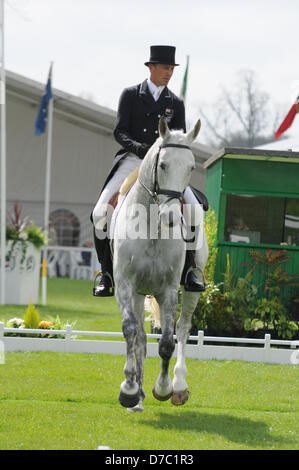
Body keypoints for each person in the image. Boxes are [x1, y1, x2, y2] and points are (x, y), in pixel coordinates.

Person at [92, 45, 206, 296]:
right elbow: (119, 131)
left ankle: (189, 270)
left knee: (195, 210)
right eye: (165, 68)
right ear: (151, 68)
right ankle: (106, 273)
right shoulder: (130, 95)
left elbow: (179, 139)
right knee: (100, 212)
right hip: (133, 161)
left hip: (165, 168)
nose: (169, 73)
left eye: (171, 69)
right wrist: (141, 149)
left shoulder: (175, 102)